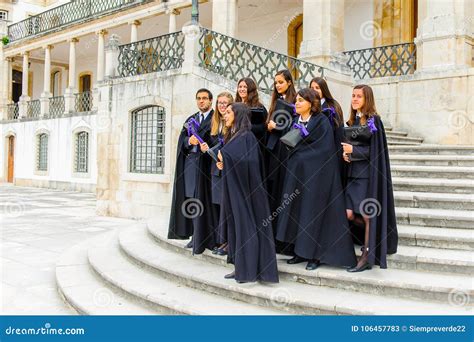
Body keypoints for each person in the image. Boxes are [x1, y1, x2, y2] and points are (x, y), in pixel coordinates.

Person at [275, 88, 357, 271]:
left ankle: (315, 255)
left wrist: (301, 155)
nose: (296, 103)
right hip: (297, 176)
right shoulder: (296, 121)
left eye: (301, 100)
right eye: (296, 100)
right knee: (298, 212)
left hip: (317, 178)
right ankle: (299, 251)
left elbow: (325, 150)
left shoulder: (321, 122)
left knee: (313, 215)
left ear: (311, 104)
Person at [216, 102, 279, 284]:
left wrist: (225, 156)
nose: (225, 115)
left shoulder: (247, 136)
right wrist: (224, 162)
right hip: (237, 189)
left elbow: (249, 162)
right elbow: (235, 159)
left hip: (247, 192)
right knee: (238, 227)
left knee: (247, 228)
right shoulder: (236, 135)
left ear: (238, 115)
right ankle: (241, 267)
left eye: (228, 112)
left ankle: (249, 270)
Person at [342, 84, 398, 272]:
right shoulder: (353, 120)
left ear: (367, 99)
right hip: (352, 176)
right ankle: (374, 237)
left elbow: (375, 151)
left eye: (359, 96)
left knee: (367, 214)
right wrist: (347, 155)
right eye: (353, 95)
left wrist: (354, 151)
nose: (355, 99)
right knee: (348, 214)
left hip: (367, 175)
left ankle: (366, 256)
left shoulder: (374, 121)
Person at [168, 88, 218, 255]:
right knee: (192, 200)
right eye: (198, 98)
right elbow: (182, 140)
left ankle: (207, 237)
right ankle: (195, 234)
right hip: (190, 166)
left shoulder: (215, 119)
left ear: (211, 101)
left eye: (204, 98)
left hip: (206, 167)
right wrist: (188, 141)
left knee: (205, 202)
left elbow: (217, 139)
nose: (201, 101)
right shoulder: (191, 119)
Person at [265, 69, 297, 254]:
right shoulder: (275, 102)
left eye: (281, 82)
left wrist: (277, 126)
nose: (277, 85)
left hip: (285, 152)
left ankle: (285, 242)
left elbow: (296, 126)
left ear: (289, 82)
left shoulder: (295, 102)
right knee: (273, 192)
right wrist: (270, 126)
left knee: (284, 193)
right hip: (273, 151)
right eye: (276, 83)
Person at [202, 91, 233, 256]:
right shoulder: (215, 123)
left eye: (225, 103)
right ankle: (219, 240)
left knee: (227, 206)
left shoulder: (232, 122)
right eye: (219, 103)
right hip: (215, 170)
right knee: (217, 206)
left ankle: (228, 242)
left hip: (226, 169)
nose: (222, 106)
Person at [310, 77, 346, 185]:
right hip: (313, 153)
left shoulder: (333, 106)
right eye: (312, 88)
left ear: (324, 90)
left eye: (317, 88)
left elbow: (339, 132)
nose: (314, 90)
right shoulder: (308, 106)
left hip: (331, 151)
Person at [235, 77, 268, 150]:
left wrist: (245, 127)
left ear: (251, 89)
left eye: (245, 87)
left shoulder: (259, 108)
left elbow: (263, 127)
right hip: (237, 143)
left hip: (252, 145)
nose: (242, 89)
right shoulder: (235, 106)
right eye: (240, 87)